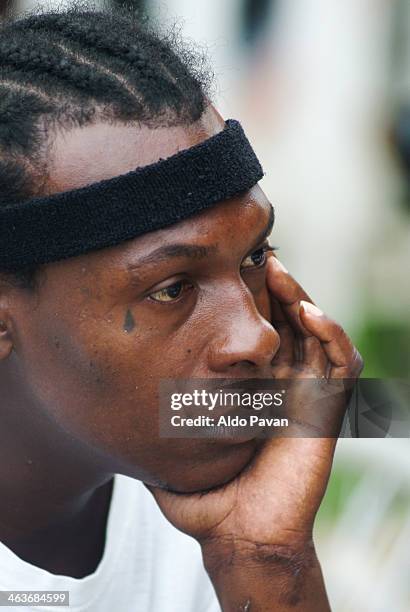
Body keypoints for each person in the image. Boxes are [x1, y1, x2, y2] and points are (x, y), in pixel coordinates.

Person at [0, 4, 363, 611]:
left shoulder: (198, 521)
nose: (257, 338)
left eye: (253, 258)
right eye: (171, 288)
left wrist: (263, 561)